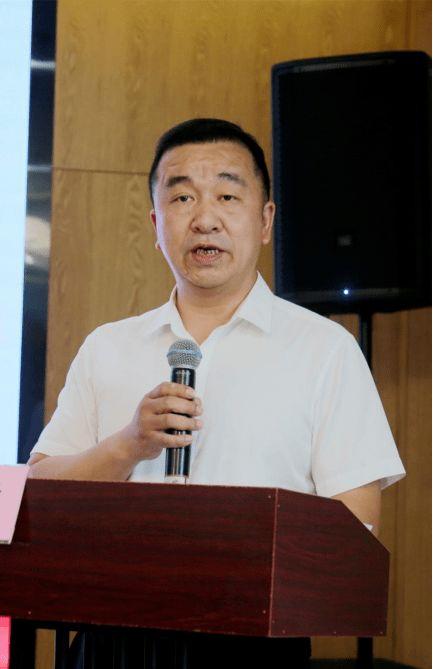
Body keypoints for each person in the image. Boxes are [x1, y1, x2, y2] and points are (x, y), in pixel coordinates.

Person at [28, 118, 405, 668]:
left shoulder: (325, 349)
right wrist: (128, 445)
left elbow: (357, 520)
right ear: (156, 223)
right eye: (182, 198)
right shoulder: (108, 346)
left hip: (253, 645)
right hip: (112, 638)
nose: (205, 219)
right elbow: (37, 497)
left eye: (227, 196)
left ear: (265, 220)